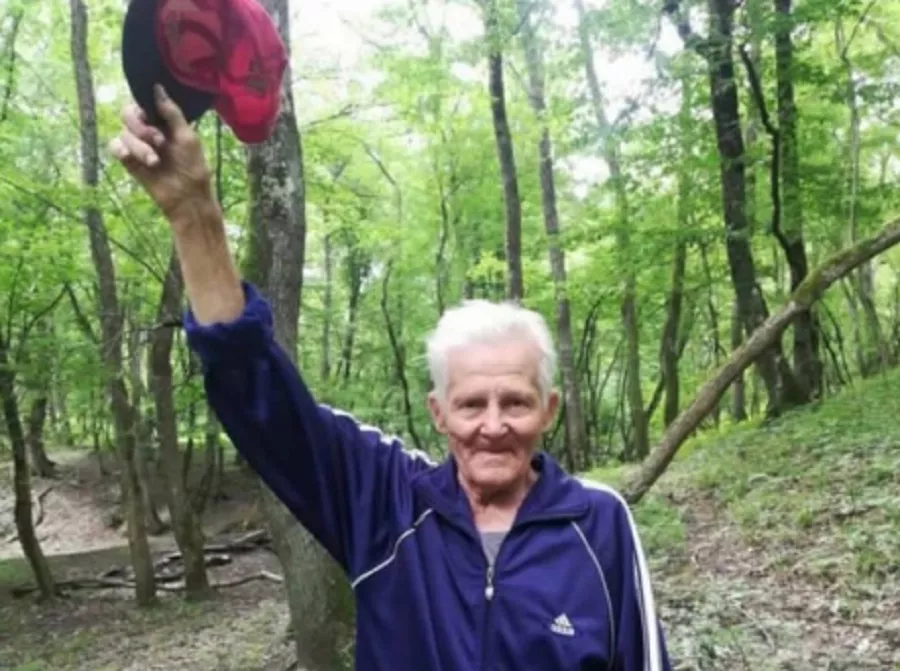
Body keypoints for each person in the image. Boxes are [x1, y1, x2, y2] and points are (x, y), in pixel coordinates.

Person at [109, 85, 672, 671]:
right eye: (471, 404)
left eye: (516, 402)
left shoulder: (599, 523)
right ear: (438, 412)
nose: (493, 425)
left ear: (549, 409)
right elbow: (261, 399)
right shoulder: (385, 502)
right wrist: (194, 216)